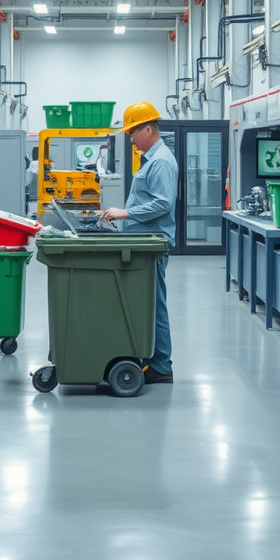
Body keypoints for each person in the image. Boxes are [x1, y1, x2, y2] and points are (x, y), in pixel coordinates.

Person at [101, 102, 178, 384]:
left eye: (133, 132)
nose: (131, 138)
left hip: (152, 246)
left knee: (155, 304)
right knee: (147, 303)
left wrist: (126, 212)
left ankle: (161, 366)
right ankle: (150, 356)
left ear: (148, 129)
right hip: (143, 242)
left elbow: (162, 203)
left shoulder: (160, 162)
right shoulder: (152, 159)